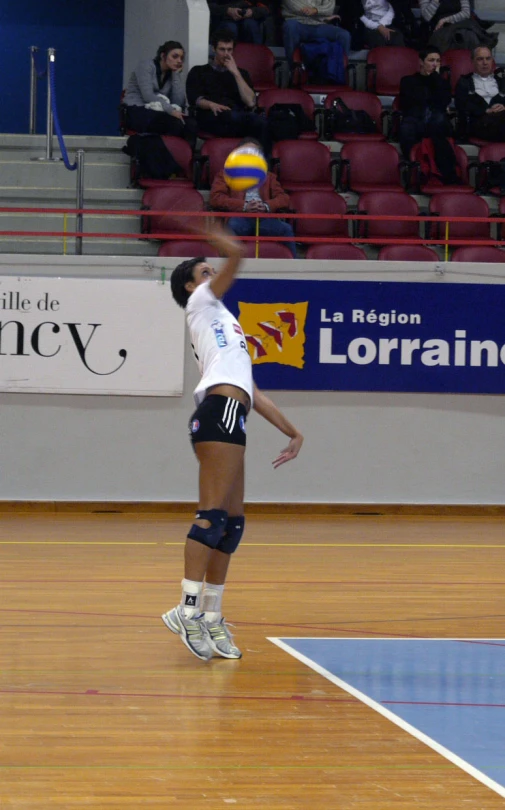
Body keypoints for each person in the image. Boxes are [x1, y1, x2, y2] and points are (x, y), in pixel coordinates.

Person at [162, 226, 304, 660]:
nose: (212, 272)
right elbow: (238, 255)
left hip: (233, 412)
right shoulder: (201, 301)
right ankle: (186, 609)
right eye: (205, 270)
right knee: (210, 516)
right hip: (218, 412)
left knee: (232, 522)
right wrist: (215, 235)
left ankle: (210, 614)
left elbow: (253, 390)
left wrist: (292, 431)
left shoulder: (224, 321)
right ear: (191, 285)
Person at [210, 138, 297, 256]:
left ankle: (295, 270)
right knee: (232, 227)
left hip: (264, 219)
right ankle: (233, 269)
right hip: (239, 217)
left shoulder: (269, 176)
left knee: (286, 229)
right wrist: (244, 206)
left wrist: (266, 206)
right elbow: (216, 198)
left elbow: (283, 198)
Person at [186, 30, 270, 151]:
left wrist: (235, 73)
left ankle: (264, 164)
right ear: (214, 49)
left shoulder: (241, 73)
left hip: (237, 115)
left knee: (262, 123)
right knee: (230, 117)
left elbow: (251, 102)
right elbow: (194, 99)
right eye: (222, 49)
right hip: (211, 114)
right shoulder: (198, 71)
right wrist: (210, 104)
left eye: (229, 50)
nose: (226, 54)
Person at [123, 41, 197, 144]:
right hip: (138, 109)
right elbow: (148, 96)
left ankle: (187, 159)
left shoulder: (171, 73)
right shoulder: (146, 66)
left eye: (181, 58)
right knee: (173, 123)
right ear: (163, 55)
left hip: (160, 111)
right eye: (175, 57)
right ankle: (167, 156)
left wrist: (176, 76)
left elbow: (179, 102)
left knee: (191, 124)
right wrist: (171, 110)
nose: (179, 61)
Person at [398, 47, 452, 158]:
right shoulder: (408, 80)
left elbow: (443, 103)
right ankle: (412, 161)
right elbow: (410, 102)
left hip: (435, 117)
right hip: (415, 117)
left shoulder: (443, 83)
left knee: (439, 121)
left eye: (438, 61)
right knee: (407, 127)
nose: (435, 64)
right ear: (421, 62)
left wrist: (435, 78)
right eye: (431, 60)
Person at [281, 0, 351, 70]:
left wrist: (316, 10)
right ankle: (294, 70)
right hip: (297, 23)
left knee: (344, 35)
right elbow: (293, 6)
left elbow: (330, 8)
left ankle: (339, 73)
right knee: (290, 26)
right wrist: (322, 15)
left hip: (319, 24)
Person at [455, 46, 505, 142]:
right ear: (472, 62)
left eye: (488, 58)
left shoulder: (502, 82)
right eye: (480, 59)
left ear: (492, 61)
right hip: (477, 124)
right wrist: (485, 110)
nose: (485, 63)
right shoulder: (464, 82)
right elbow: (461, 105)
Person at [208, 0, 274, 45]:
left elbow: (266, 9)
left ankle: (254, 61)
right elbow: (208, 5)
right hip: (224, 18)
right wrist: (227, 10)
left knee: (250, 26)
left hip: (249, 18)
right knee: (230, 28)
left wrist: (253, 11)